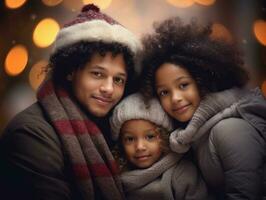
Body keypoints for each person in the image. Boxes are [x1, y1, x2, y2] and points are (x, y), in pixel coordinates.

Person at [0, 4, 141, 200]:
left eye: (118, 80)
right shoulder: (30, 134)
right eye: (97, 74)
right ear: (70, 71)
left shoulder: (119, 130)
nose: (109, 88)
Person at [139, 17, 266, 199]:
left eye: (183, 85)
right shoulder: (191, 137)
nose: (175, 98)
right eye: (164, 92)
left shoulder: (229, 129)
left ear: (203, 81)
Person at [109, 93, 209, 200]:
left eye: (150, 136)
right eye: (130, 139)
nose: (140, 147)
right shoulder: (113, 179)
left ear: (164, 138)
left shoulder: (181, 173)